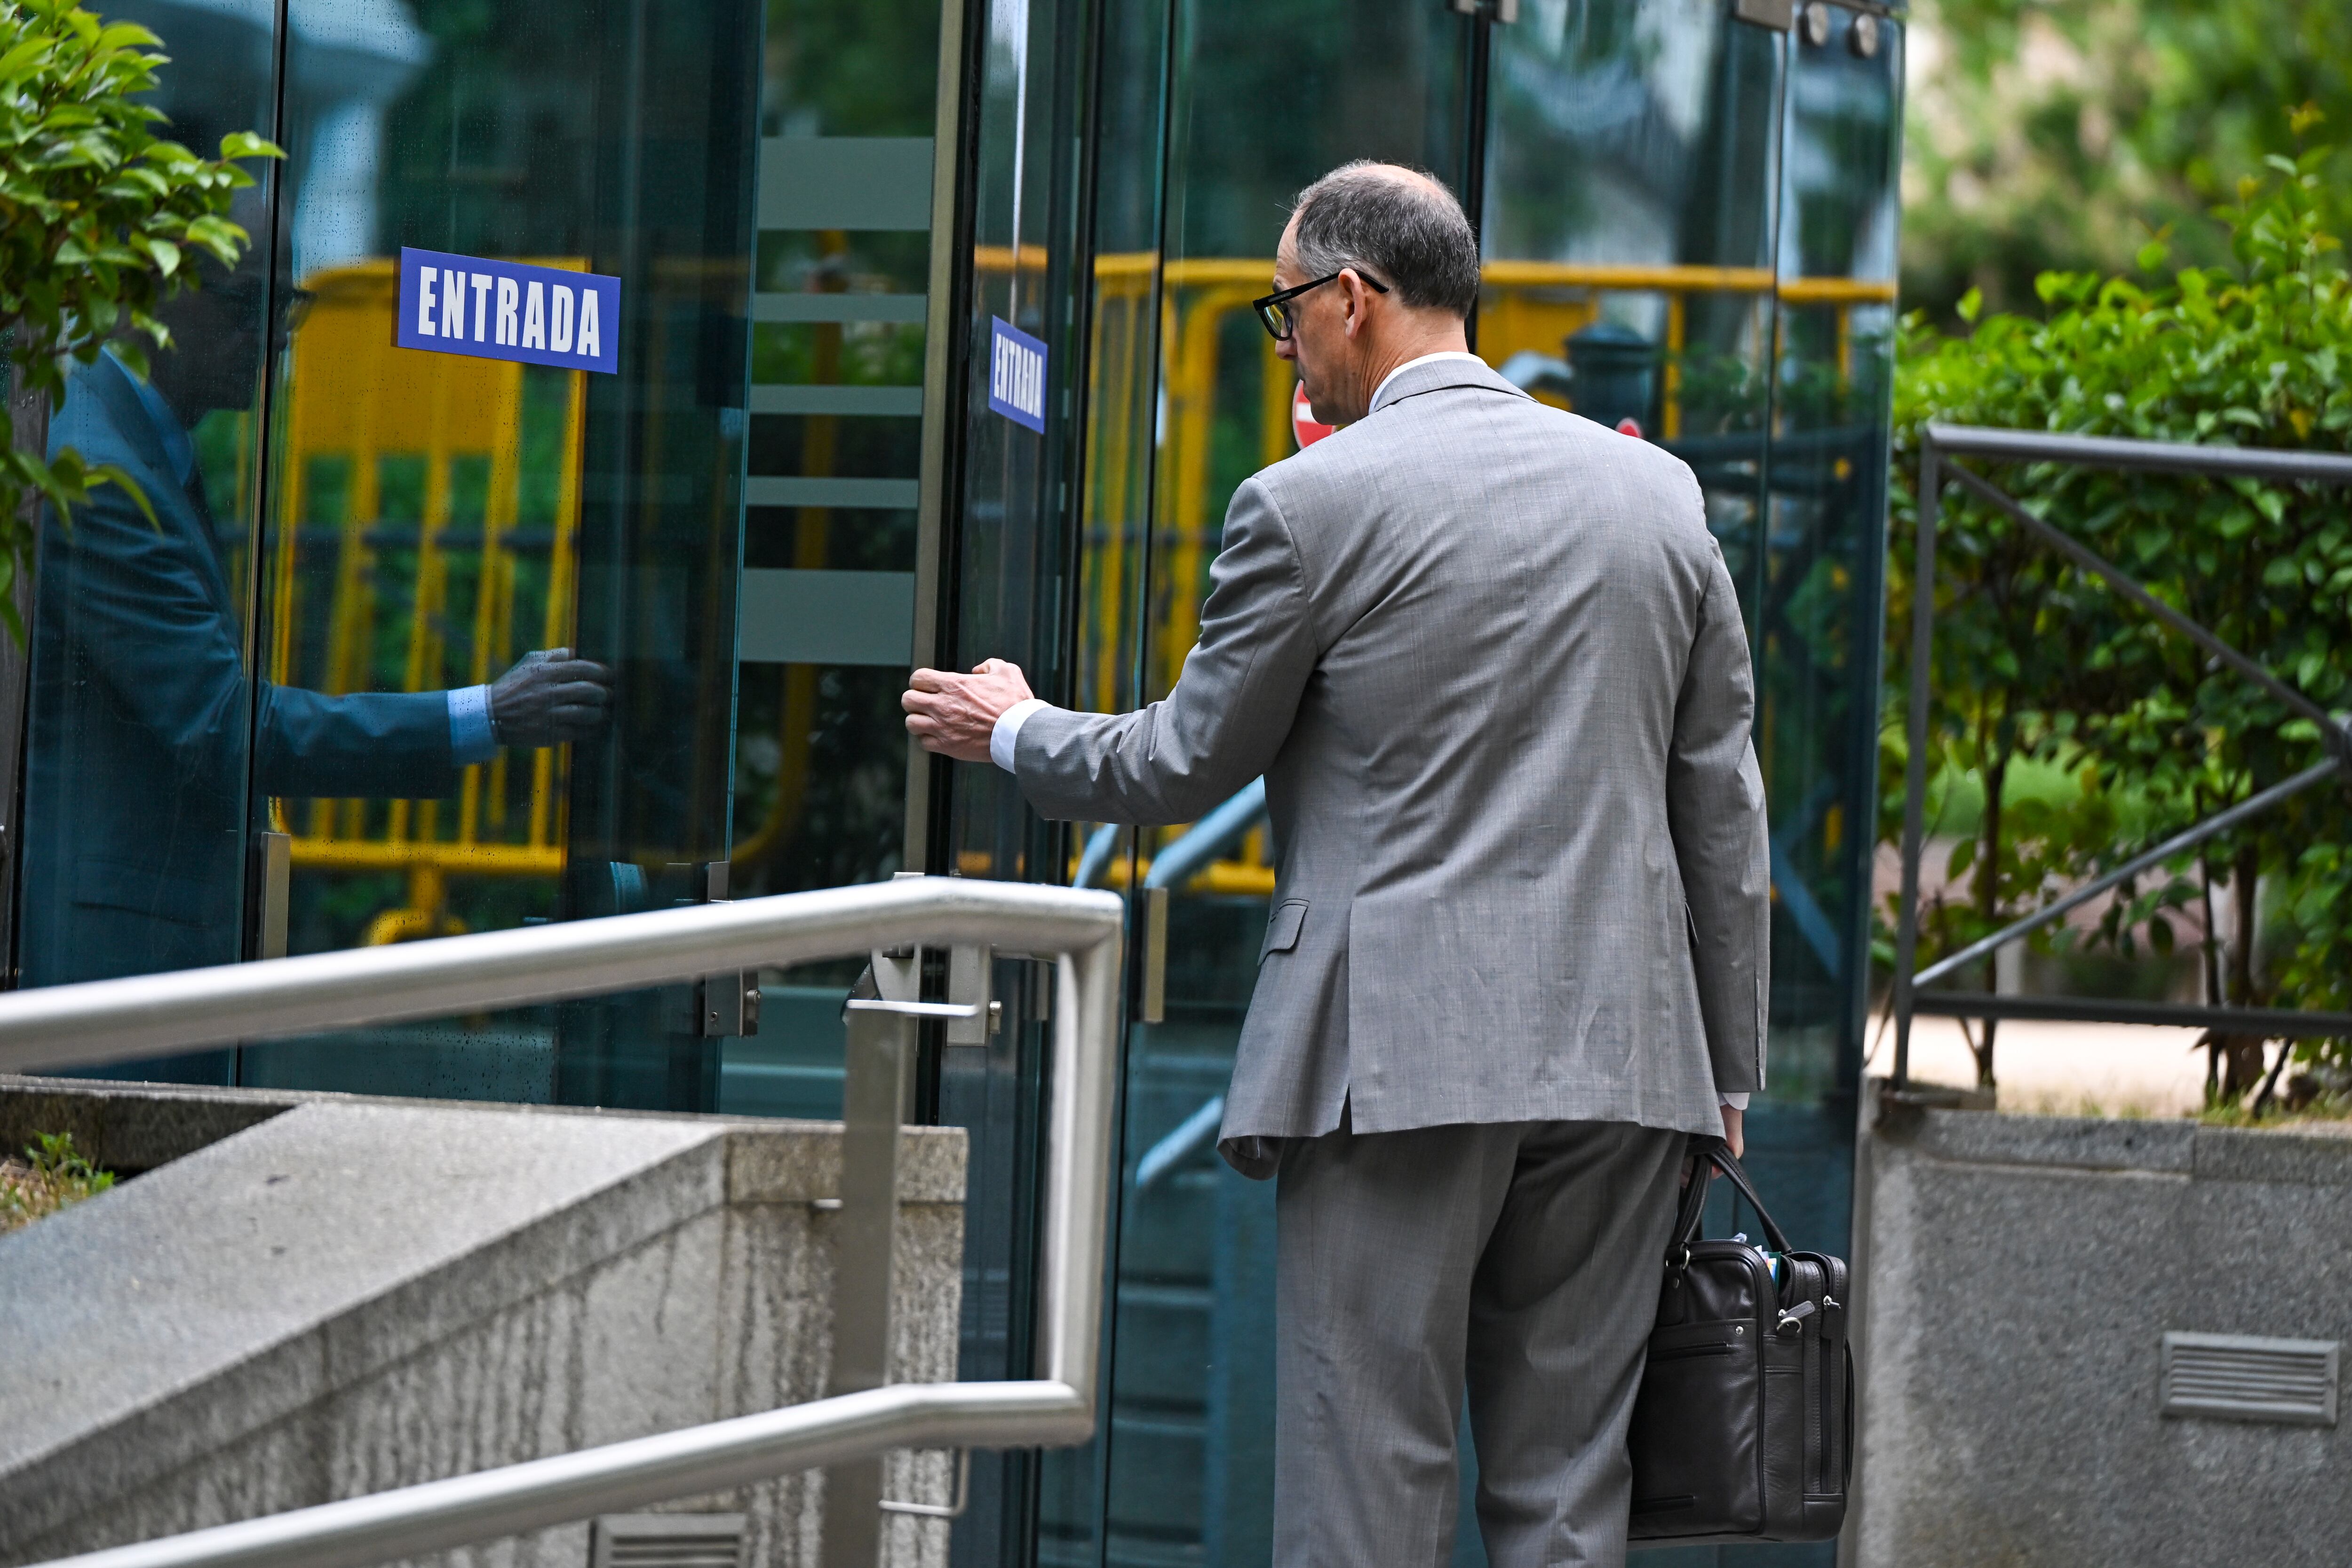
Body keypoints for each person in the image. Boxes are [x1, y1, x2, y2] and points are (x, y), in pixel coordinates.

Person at [903, 162, 1769, 1567]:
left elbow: (1180, 760)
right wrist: (1723, 1067)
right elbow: (1720, 806)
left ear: (1354, 299)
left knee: (1367, 1484)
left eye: (1286, 308)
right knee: (1568, 1497)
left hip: (1394, 1056)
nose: (1287, 337)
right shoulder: (1657, 496)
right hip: (1628, 1059)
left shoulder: (1309, 504)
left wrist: (1016, 728)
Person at [21, 240, 612, 1004]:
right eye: (243, 305)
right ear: (143, 298)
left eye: (286, 306)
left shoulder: (132, 440)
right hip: (113, 957)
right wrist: (486, 715)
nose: (270, 335)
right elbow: (224, 725)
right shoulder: (101, 471)